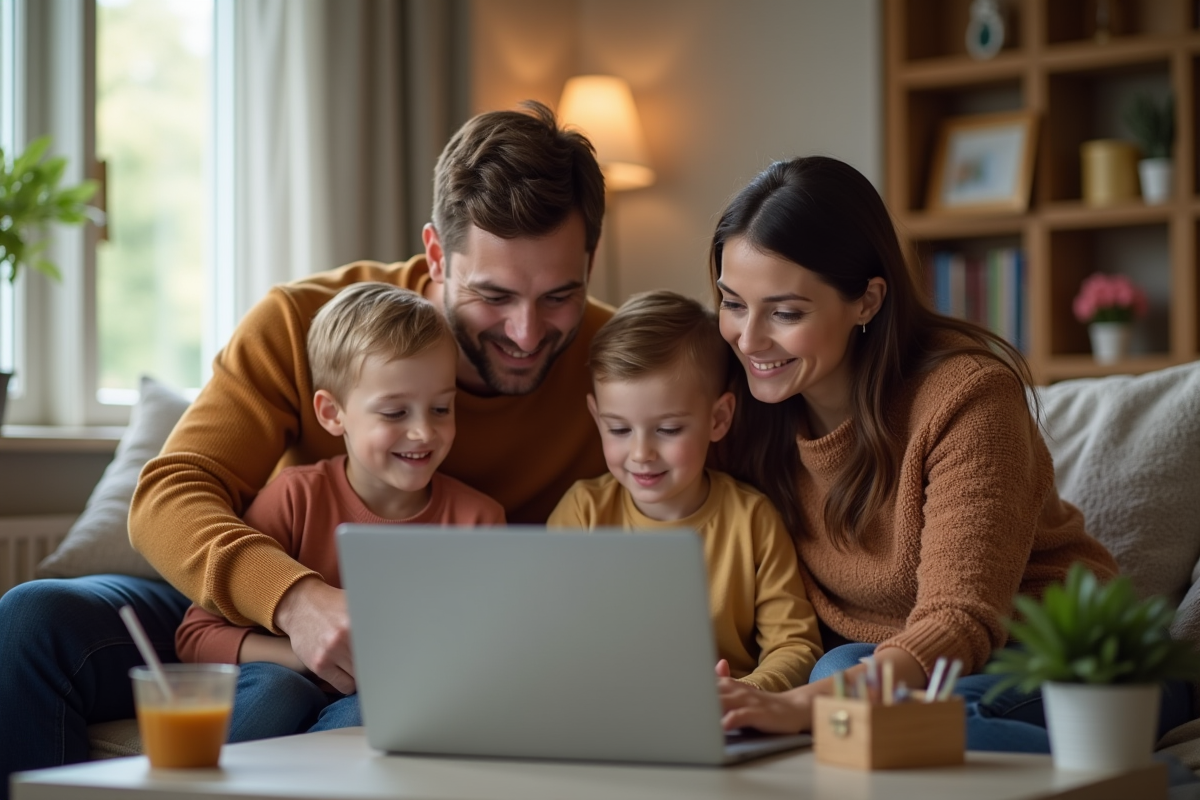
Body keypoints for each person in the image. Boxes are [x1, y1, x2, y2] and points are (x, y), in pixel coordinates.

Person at [0, 100, 607, 795]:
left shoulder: (620, 365)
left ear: (589, 262)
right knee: (30, 618)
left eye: (561, 296)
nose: (528, 333)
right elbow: (169, 495)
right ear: (437, 253)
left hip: (421, 653)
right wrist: (297, 600)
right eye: (494, 295)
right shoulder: (303, 321)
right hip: (260, 614)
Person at [708, 155, 1191, 750]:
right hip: (892, 665)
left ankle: (1143, 781)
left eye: (785, 312)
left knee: (864, 706)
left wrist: (794, 708)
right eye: (732, 303)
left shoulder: (965, 398)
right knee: (839, 676)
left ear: (867, 300)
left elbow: (960, 620)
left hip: (1064, 660)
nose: (749, 339)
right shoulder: (742, 410)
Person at [175, 283, 505, 740]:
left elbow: (492, 658)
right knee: (276, 690)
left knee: (370, 709)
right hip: (278, 684)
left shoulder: (479, 522)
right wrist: (306, 654)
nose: (423, 432)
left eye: (441, 408)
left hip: (395, 702)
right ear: (332, 413)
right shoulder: (295, 498)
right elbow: (195, 637)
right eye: (394, 413)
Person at [547, 290, 823, 692]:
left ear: (718, 419)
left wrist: (751, 691)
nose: (641, 453)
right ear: (596, 416)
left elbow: (796, 645)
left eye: (668, 429)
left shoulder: (752, 519)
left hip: (726, 716)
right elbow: (549, 634)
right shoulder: (583, 512)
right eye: (619, 429)